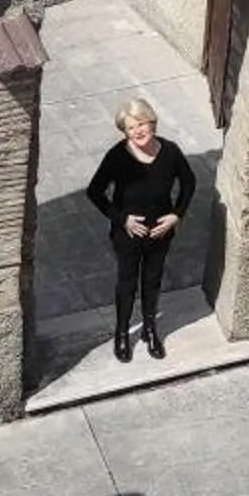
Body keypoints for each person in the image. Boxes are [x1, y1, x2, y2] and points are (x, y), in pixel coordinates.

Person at [85, 97, 195, 362]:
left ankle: (150, 329)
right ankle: (122, 334)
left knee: (152, 280)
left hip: (160, 233)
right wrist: (122, 219)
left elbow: (189, 182)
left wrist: (175, 215)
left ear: (152, 122)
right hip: (129, 235)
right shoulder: (117, 156)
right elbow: (95, 191)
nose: (137, 132)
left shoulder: (170, 152)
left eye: (141, 124)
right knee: (127, 283)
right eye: (130, 128)